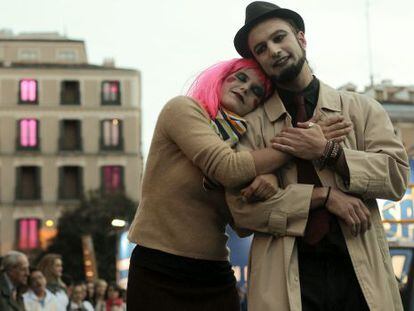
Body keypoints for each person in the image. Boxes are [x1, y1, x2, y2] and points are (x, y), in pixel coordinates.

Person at [226, 2, 410, 310]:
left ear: (301, 38)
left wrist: (329, 151)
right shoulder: (250, 126)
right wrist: (322, 196)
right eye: (261, 48)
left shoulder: (361, 109)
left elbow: (395, 179)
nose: (273, 50)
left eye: (279, 37)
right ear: (257, 60)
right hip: (286, 282)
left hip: (360, 276)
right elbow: (242, 213)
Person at [126, 57, 349, 310]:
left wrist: (270, 179)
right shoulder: (183, 109)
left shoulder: (247, 147)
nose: (245, 88)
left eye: (257, 91)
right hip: (158, 267)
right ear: (221, 78)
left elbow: (242, 224)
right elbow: (228, 168)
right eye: (240, 78)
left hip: (213, 271)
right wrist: (300, 146)